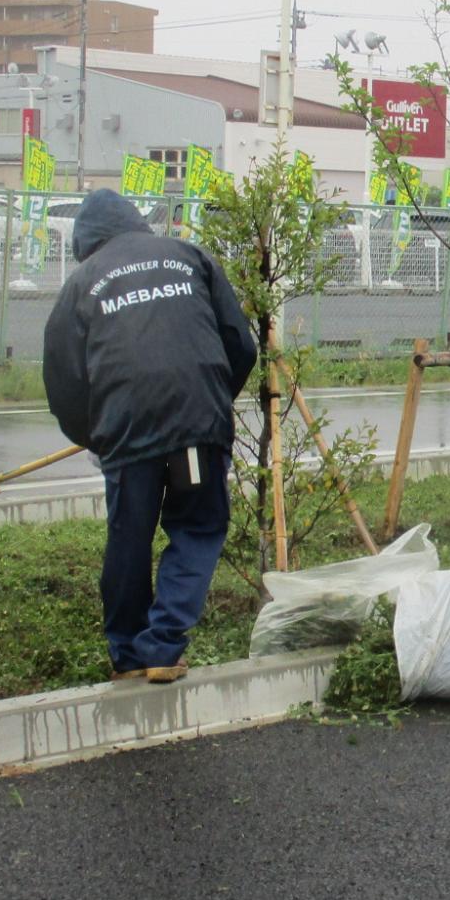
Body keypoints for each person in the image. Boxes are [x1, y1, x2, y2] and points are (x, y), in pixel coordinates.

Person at [44, 190, 258, 684]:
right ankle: (163, 647)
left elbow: (63, 381)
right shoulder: (190, 256)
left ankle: (127, 656)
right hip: (196, 429)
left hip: (126, 432)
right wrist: (210, 401)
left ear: (86, 243)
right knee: (198, 526)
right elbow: (239, 343)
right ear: (136, 224)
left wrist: (96, 436)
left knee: (129, 539)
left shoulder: (81, 284)